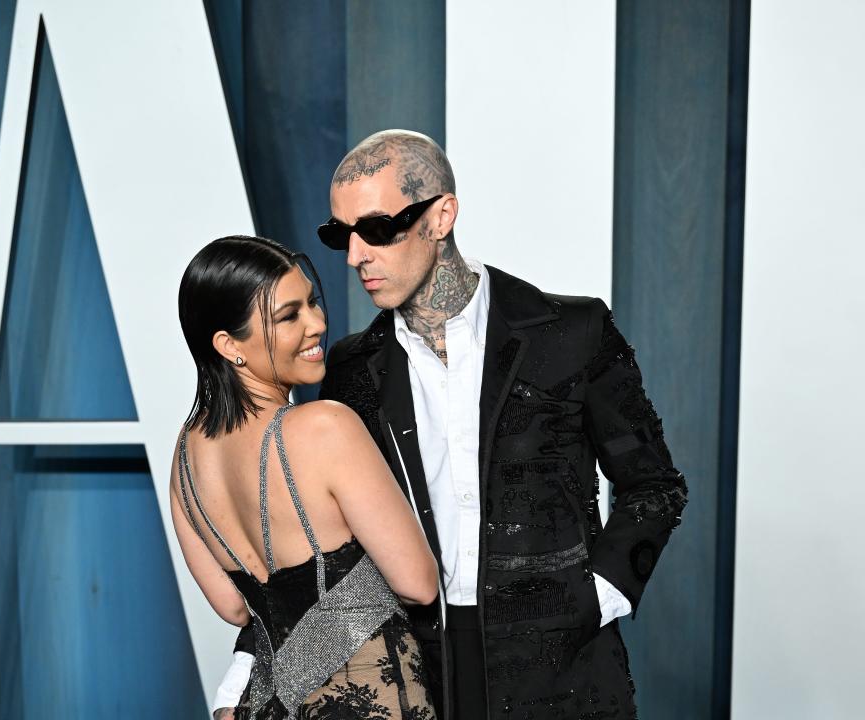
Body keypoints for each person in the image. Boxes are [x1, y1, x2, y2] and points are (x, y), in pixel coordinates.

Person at [219, 131, 689, 719]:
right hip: (418, 662)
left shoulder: (571, 331)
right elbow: (323, 547)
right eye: (341, 234)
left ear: (441, 216)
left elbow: (654, 483)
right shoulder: (350, 368)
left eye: (378, 228)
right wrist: (246, 668)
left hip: (562, 664)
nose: (356, 255)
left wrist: (598, 595)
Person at [171, 235, 439, 719]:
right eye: (289, 316)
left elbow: (234, 608)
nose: (317, 323)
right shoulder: (324, 426)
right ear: (229, 345)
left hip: (269, 704)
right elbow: (419, 583)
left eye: (312, 302)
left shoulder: (187, 456)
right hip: (370, 698)